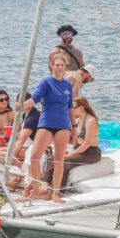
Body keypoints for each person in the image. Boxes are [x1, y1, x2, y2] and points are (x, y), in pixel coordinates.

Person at [22, 52, 77, 202]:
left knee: (59, 161)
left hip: (63, 125)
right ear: (52, 66)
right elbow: (35, 98)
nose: (59, 67)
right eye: (57, 65)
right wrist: (22, 106)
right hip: (46, 123)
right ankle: (35, 190)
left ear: (65, 68)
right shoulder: (46, 82)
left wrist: (75, 126)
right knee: (34, 157)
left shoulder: (67, 85)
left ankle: (55, 194)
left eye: (62, 65)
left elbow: (70, 106)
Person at [43, 97, 102, 192]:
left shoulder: (91, 121)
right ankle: (45, 185)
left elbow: (86, 144)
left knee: (64, 162)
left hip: (91, 153)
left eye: (72, 107)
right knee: (52, 158)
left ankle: (56, 191)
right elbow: (73, 140)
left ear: (81, 108)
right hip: (79, 150)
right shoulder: (78, 121)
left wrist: (70, 154)